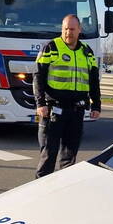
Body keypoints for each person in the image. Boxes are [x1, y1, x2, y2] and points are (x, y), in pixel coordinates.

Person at [33, 15, 101, 178]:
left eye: (71, 29)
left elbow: (93, 80)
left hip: (76, 111)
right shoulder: (51, 47)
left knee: (69, 159)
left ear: (79, 30)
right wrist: (40, 103)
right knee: (48, 156)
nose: (68, 33)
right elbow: (38, 76)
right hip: (53, 110)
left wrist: (96, 105)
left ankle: (63, 193)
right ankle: (40, 194)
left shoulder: (87, 52)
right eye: (65, 29)